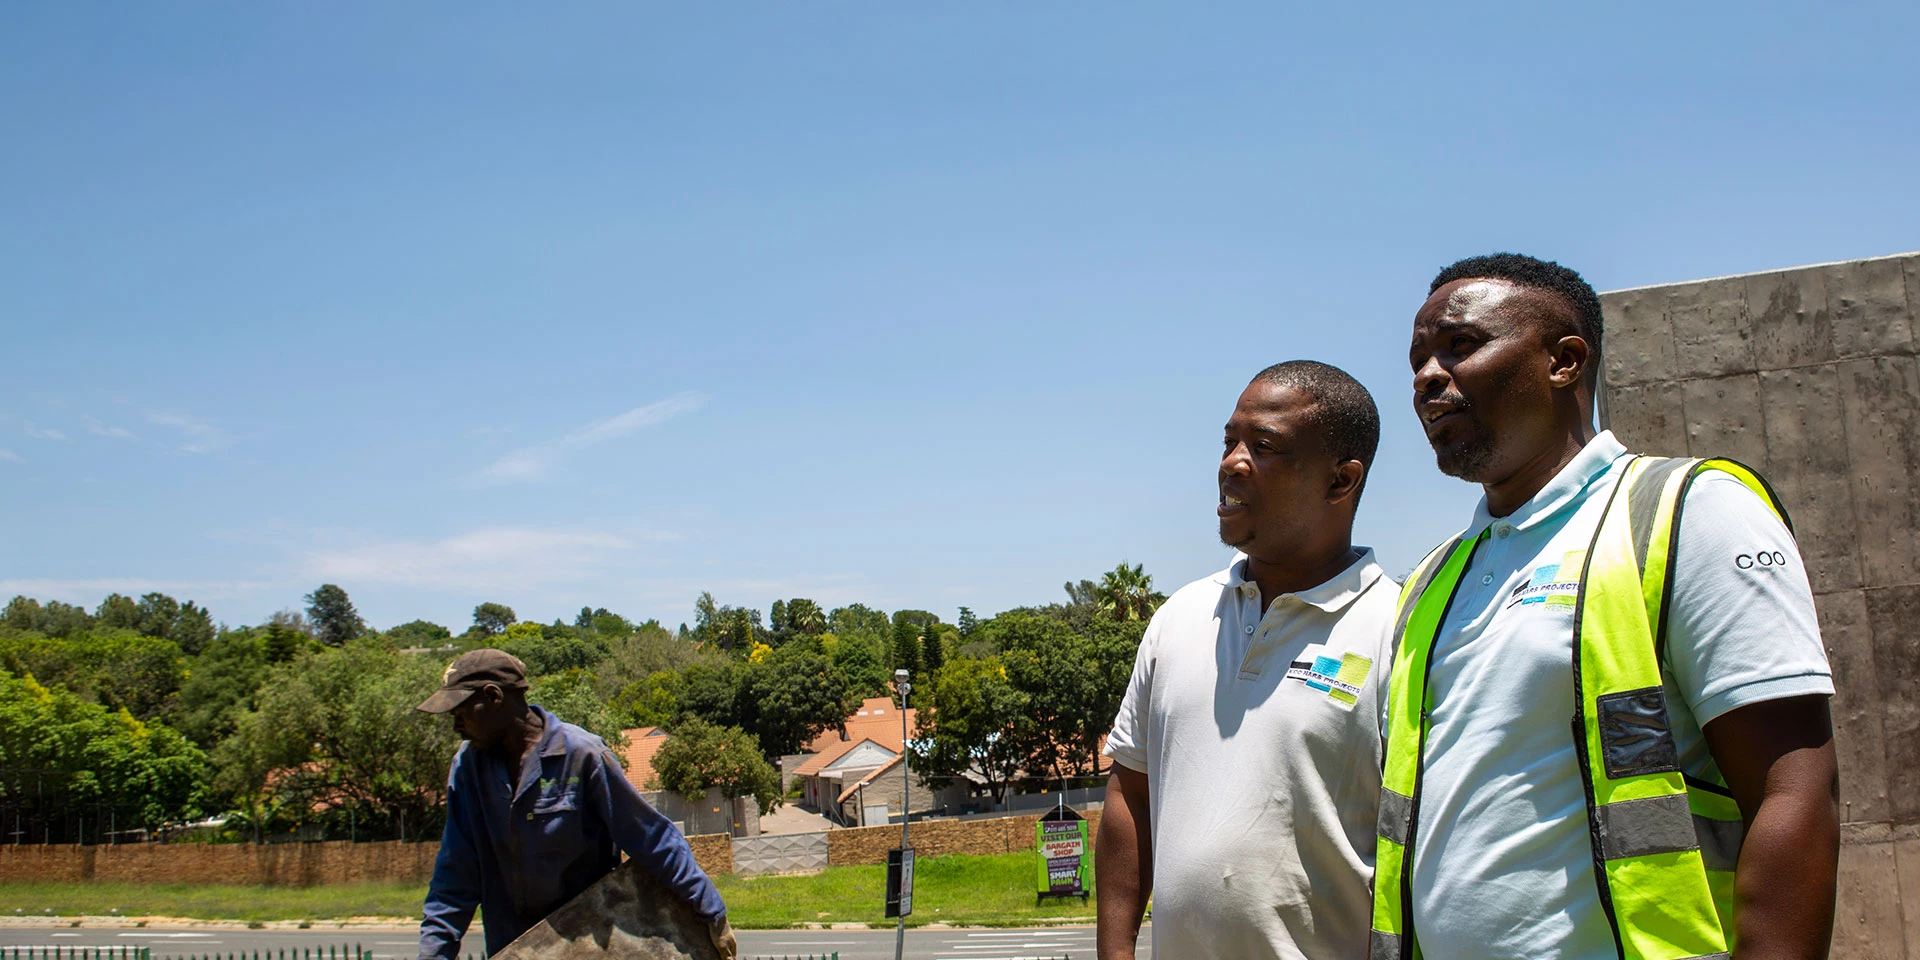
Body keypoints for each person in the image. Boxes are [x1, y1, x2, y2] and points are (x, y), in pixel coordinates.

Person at [1371, 253, 1839, 960]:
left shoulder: (1688, 512)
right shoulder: (1433, 580)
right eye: (1418, 359)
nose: (1428, 377)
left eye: (1460, 347)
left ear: (1565, 361)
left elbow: (1797, 793)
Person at [1097, 360, 1400, 960]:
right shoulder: (1180, 617)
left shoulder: (1400, 631)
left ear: (1341, 480)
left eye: (1263, 447)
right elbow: (1131, 793)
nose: (1231, 462)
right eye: (1229, 441)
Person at [415, 649, 737, 960]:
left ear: (494, 697)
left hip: (587, 947)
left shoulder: (583, 757)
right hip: (514, 950)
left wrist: (712, 912)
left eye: (461, 714)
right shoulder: (468, 770)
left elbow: (652, 839)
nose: (457, 727)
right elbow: (454, 879)